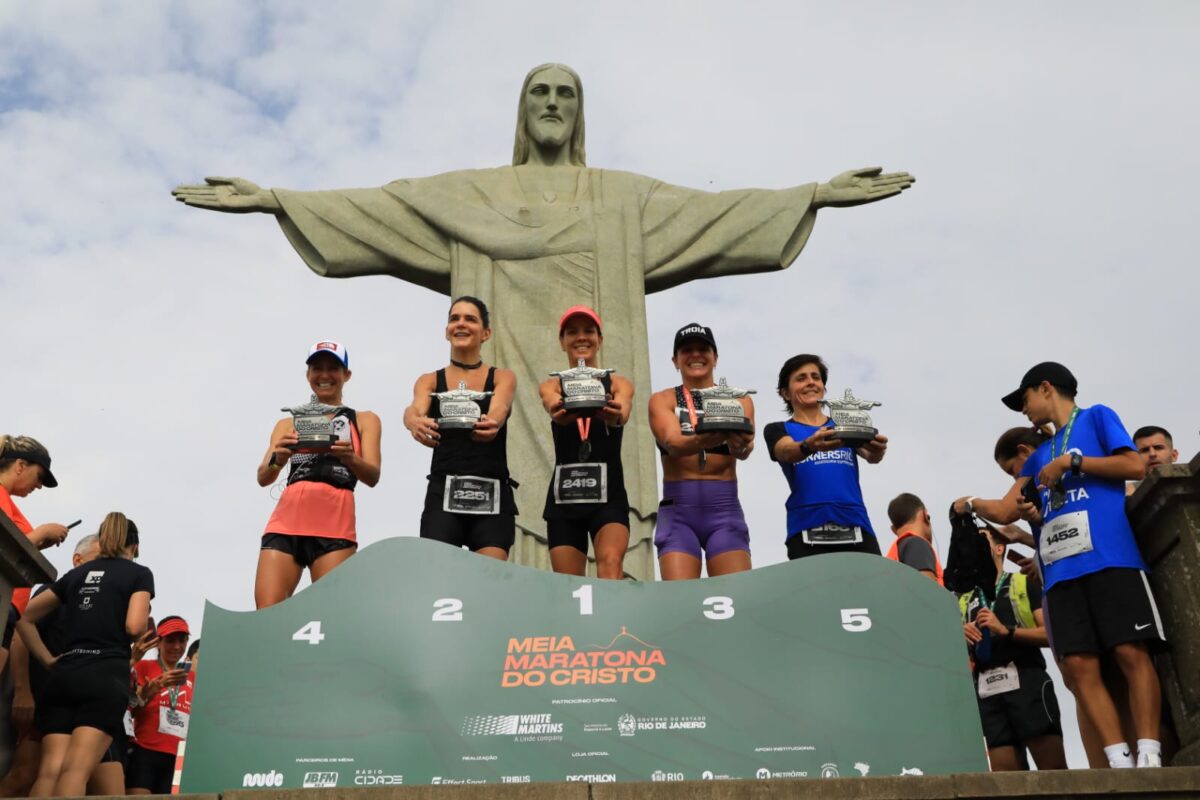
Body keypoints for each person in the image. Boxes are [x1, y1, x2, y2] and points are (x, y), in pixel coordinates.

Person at [173, 63, 914, 580]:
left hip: (600, 450)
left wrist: (811, 195)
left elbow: (716, 213)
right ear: (523, 111)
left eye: (566, 93)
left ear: (580, 111)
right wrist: (277, 199)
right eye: (539, 93)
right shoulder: (471, 196)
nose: (553, 103)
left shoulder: (623, 198)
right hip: (499, 442)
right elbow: (381, 207)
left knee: (607, 542)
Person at [952, 362, 1164, 768]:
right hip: (1062, 575)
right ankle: (1118, 757)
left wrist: (1073, 462)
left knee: (1131, 652)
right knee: (1080, 666)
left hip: (1111, 559)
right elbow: (1004, 508)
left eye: (1025, 399)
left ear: (1047, 388)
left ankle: (1150, 752)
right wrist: (969, 504)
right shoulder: (1037, 458)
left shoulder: (1097, 417)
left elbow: (1134, 466)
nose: (1024, 410)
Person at [15, 512, 153, 797]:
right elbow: (134, 625)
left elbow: (25, 618)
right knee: (76, 771)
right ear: (135, 547)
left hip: (65, 673)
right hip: (105, 675)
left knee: (49, 771)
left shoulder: (76, 574)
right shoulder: (139, 573)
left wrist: (47, 659)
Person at [256, 341, 381, 608]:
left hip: (335, 524)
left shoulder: (365, 419)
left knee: (331, 617)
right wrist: (279, 457)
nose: (324, 376)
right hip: (286, 522)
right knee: (266, 615)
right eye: (317, 368)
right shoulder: (288, 422)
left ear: (346, 375)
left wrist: (351, 458)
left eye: (333, 368)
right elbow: (264, 476)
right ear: (308, 375)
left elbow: (373, 475)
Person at [0, 534, 127, 798]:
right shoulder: (55, 593)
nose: (106, 567)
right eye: (101, 559)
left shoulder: (109, 602)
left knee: (101, 784)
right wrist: (24, 691)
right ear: (77, 559)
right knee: (29, 774)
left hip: (94, 704)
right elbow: (21, 635)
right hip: (51, 702)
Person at [404, 297, 517, 560]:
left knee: (490, 580)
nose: (461, 324)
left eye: (470, 319)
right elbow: (414, 409)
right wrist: (412, 421)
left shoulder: (502, 376)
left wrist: (494, 422)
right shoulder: (430, 380)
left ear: (486, 333)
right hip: (443, 492)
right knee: (440, 579)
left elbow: (501, 407)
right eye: (454, 318)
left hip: (492, 491)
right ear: (446, 331)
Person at [648, 323, 753, 580]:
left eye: (703, 349)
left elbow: (744, 449)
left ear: (715, 357)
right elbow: (674, 443)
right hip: (679, 511)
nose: (696, 355)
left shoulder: (739, 399)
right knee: (682, 603)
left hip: (725, 508)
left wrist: (739, 443)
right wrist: (718, 433)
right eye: (687, 350)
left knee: (735, 599)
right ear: (675, 360)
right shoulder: (663, 400)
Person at [961, 525, 1067, 771]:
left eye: (981, 539)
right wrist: (960, 638)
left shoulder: (1022, 582)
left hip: (1028, 680)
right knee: (1005, 783)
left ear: (1000, 548)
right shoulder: (964, 598)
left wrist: (1006, 630)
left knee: (1054, 776)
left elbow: (1052, 635)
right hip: (987, 691)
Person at [762, 354, 888, 559]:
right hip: (806, 528)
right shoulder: (778, 429)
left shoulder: (845, 426)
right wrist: (809, 445)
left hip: (856, 523)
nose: (810, 382)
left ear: (823, 387)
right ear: (785, 393)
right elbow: (785, 451)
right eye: (801, 378)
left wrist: (876, 451)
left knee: (870, 591)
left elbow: (868, 453)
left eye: (815, 377)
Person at [539, 306, 633, 579]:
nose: (581, 337)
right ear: (562, 341)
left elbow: (622, 412)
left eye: (588, 331)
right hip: (564, 497)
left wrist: (615, 415)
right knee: (569, 586)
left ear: (599, 339)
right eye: (572, 332)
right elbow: (552, 404)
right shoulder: (552, 385)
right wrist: (560, 411)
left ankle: (614, 624)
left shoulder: (618, 383)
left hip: (608, 495)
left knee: (611, 565)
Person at [0, 436, 71, 622]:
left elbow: (10, 550)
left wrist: (37, 544)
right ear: (20, 465)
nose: (39, 486)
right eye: (39, 476)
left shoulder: (6, 499)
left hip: (8, 604)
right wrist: (42, 532)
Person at [127, 617, 192, 795]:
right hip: (145, 750)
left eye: (182, 640)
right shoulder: (144, 667)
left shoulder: (194, 677)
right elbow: (130, 710)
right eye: (170, 641)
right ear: (159, 643)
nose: (177, 646)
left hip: (178, 756)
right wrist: (148, 691)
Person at [884, 493, 943, 584]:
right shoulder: (917, 544)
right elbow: (926, 589)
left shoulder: (895, 552)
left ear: (893, 530)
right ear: (924, 515)